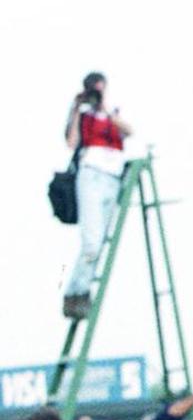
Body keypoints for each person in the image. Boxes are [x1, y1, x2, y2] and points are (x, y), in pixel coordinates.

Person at [63, 71, 133, 319]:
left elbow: (129, 131)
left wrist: (106, 108)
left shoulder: (113, 111)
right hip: (91, 174)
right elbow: (71, 143)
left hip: (112, 177)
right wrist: (75, 109)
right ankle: (75, 293)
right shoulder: (83, 116)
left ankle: (79, 292)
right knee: (91, 242)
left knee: (100, 241)